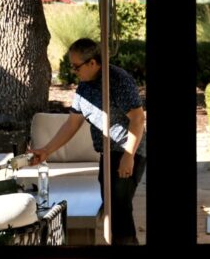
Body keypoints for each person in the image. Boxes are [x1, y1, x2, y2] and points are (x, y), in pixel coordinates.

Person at [29, 38, 147, 245]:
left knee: (119, 207)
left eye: (76, 67)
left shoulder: (118, 81)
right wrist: (46, 151)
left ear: (92, 63)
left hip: (128, 150)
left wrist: (129, 156)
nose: (74, 71)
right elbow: (72, 124)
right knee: (111, 208)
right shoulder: (85, 87)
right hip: (107, 153)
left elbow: (138, 119)